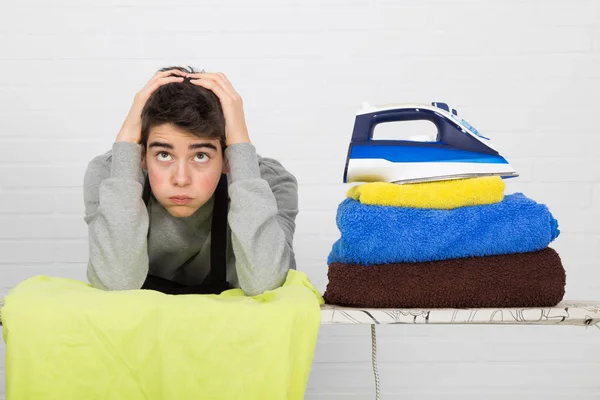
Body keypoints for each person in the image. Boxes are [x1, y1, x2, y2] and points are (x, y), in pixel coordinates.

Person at [82, 66, 299, 296]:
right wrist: (126, 144)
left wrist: (240, 147)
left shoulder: (269, 182)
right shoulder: (112, 174)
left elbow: (265, 283)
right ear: (143, 155)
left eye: (200, 156)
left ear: (227, 158)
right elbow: (116, 283)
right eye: (164, 155)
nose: (181, 179)